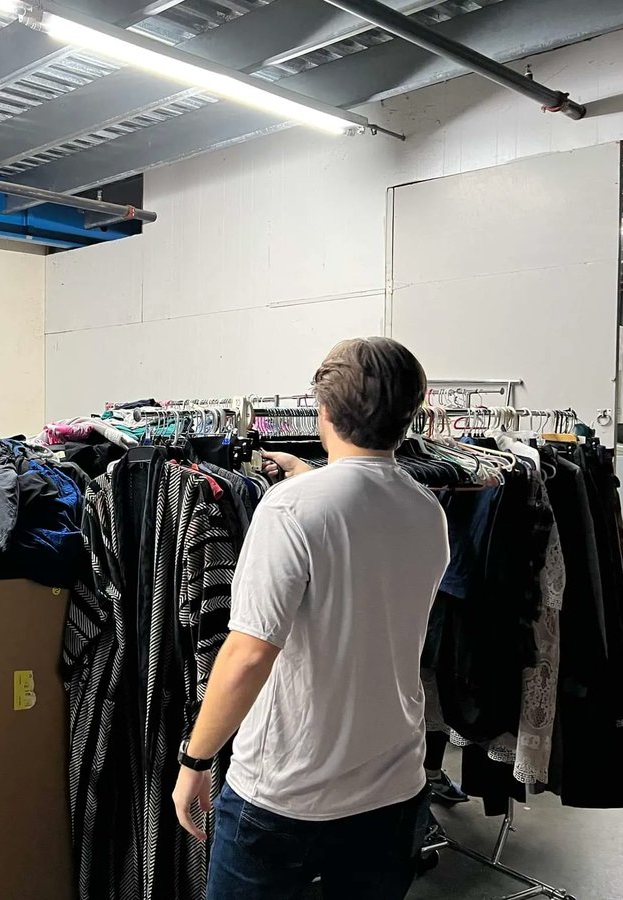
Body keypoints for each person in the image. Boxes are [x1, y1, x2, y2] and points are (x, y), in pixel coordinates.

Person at [172, 337, 450, 899]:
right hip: (394, 785)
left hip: (286, 793)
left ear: (323, 410)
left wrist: (195, 758)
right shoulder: (428, 510)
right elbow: (360, 542)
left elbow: (249, 654)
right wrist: (307, 479)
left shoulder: (289, 510)